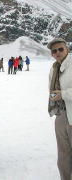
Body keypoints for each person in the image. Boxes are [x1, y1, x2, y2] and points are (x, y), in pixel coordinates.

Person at [47, 38, 72, 180]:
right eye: (54, 51)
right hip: (61, 114)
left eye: (60, 49)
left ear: (67, 49)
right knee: (63, 154)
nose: (57, 52)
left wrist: (63, 94)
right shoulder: (54, 67)